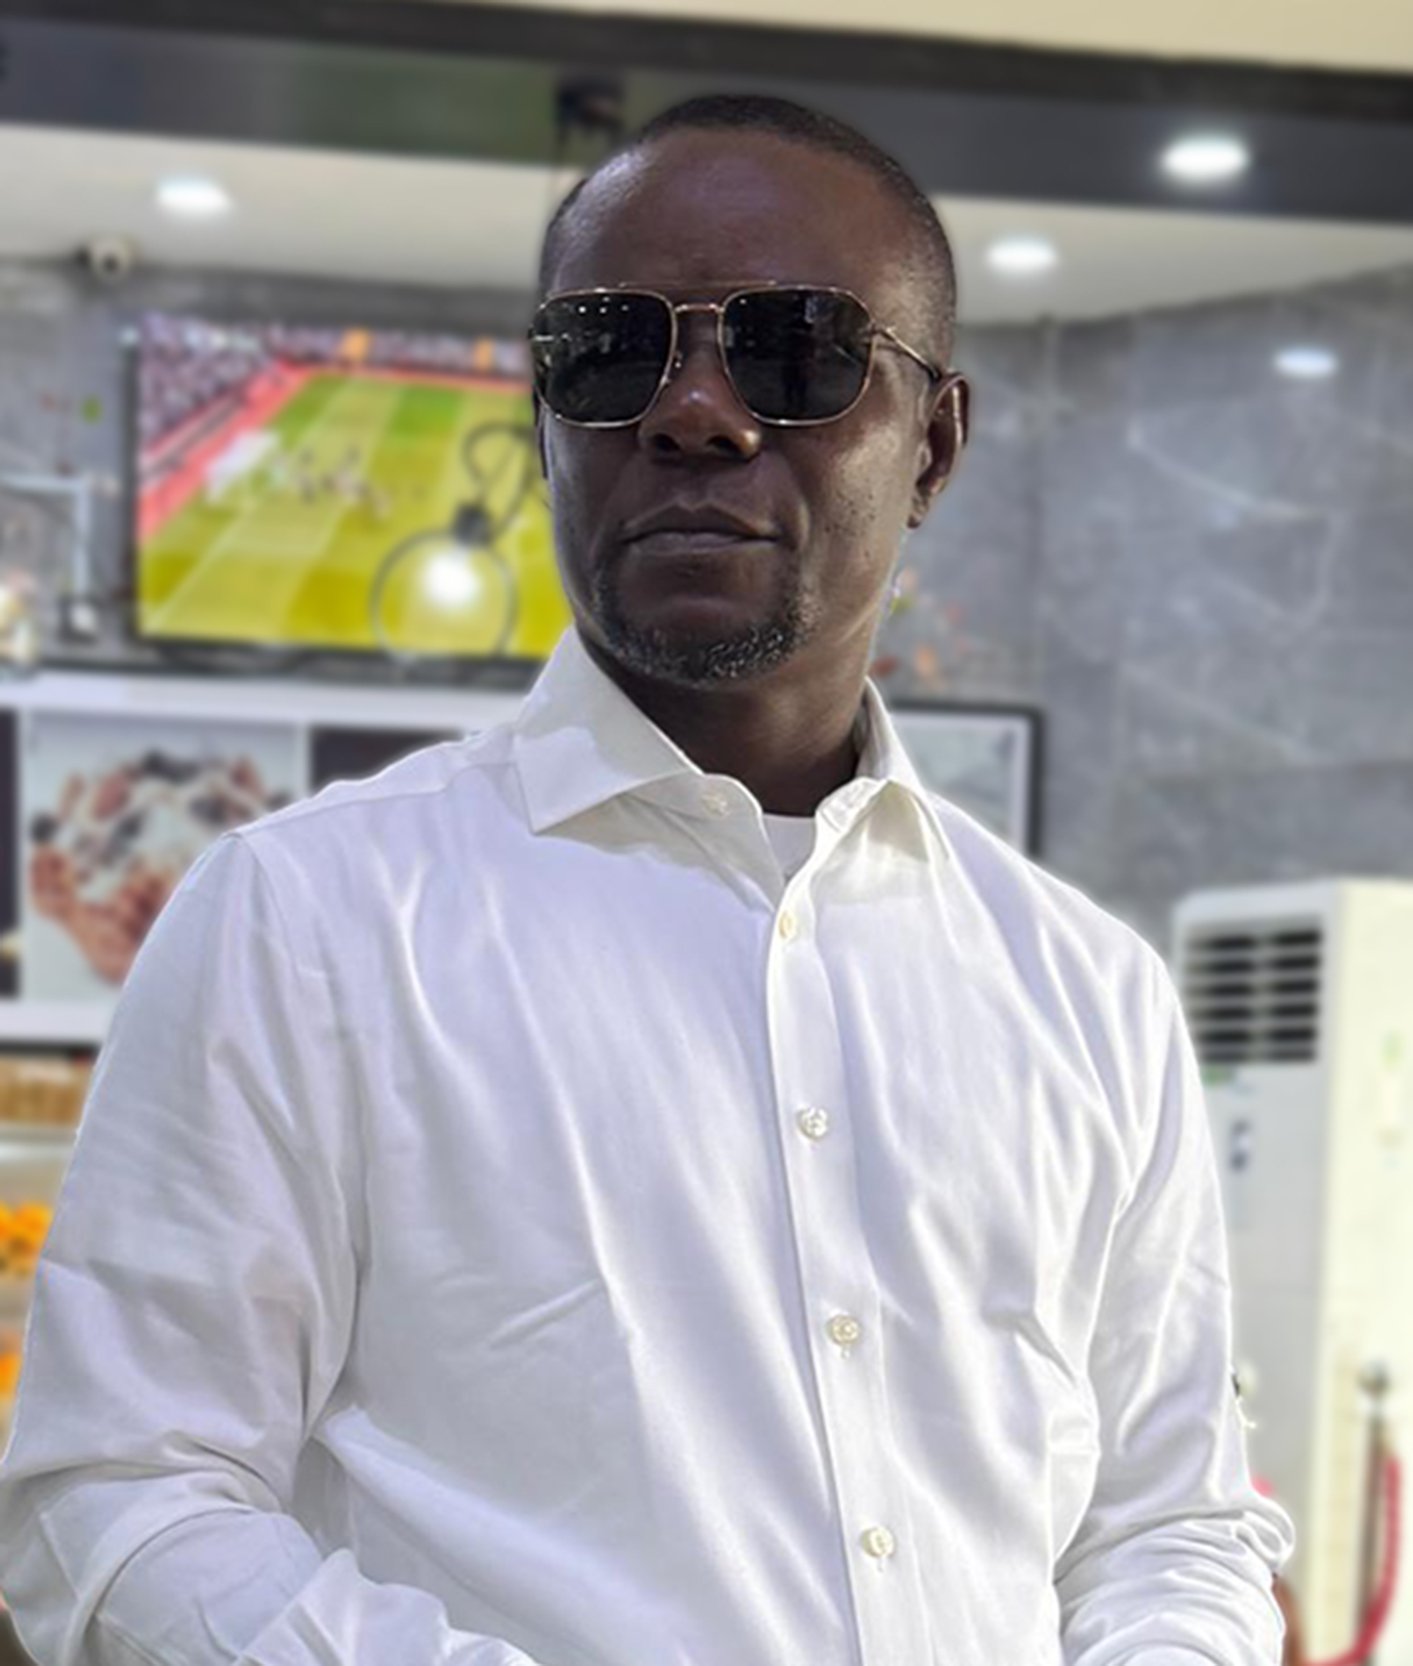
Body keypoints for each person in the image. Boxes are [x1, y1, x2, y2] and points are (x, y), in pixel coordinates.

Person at [0, 94, 1295, 1666]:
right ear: (547, 421)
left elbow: (1168, 1520)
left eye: (796, 350)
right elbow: (120, 1493)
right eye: (611, 351)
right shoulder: (311, 925)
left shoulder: (1084, 991)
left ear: (934, 443)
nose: (692, 413)